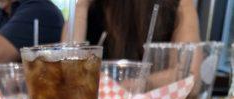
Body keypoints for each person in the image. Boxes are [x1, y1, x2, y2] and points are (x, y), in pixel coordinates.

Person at [61, 0, 200, 59]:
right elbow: (65, 68)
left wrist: (134, 83)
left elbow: (190, 79)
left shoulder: (179, 4)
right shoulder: (93, 6)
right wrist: (81, 6)